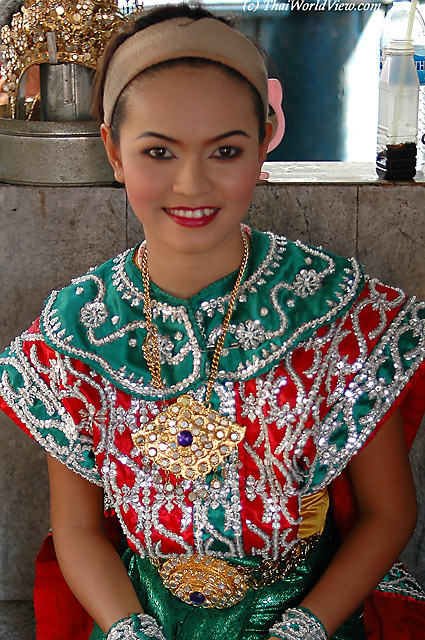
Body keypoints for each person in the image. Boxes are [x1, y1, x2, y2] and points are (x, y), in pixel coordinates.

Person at [0, 3, 425, 640]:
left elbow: (389, 513)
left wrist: (304, 628)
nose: (192, 183)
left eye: (226, 150)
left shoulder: (334, 309)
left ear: (265, 141)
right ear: (114, 152)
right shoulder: (77, 330)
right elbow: (79, 530)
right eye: (159, 151)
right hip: (140, 617)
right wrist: (128, 630)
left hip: (307, 613)